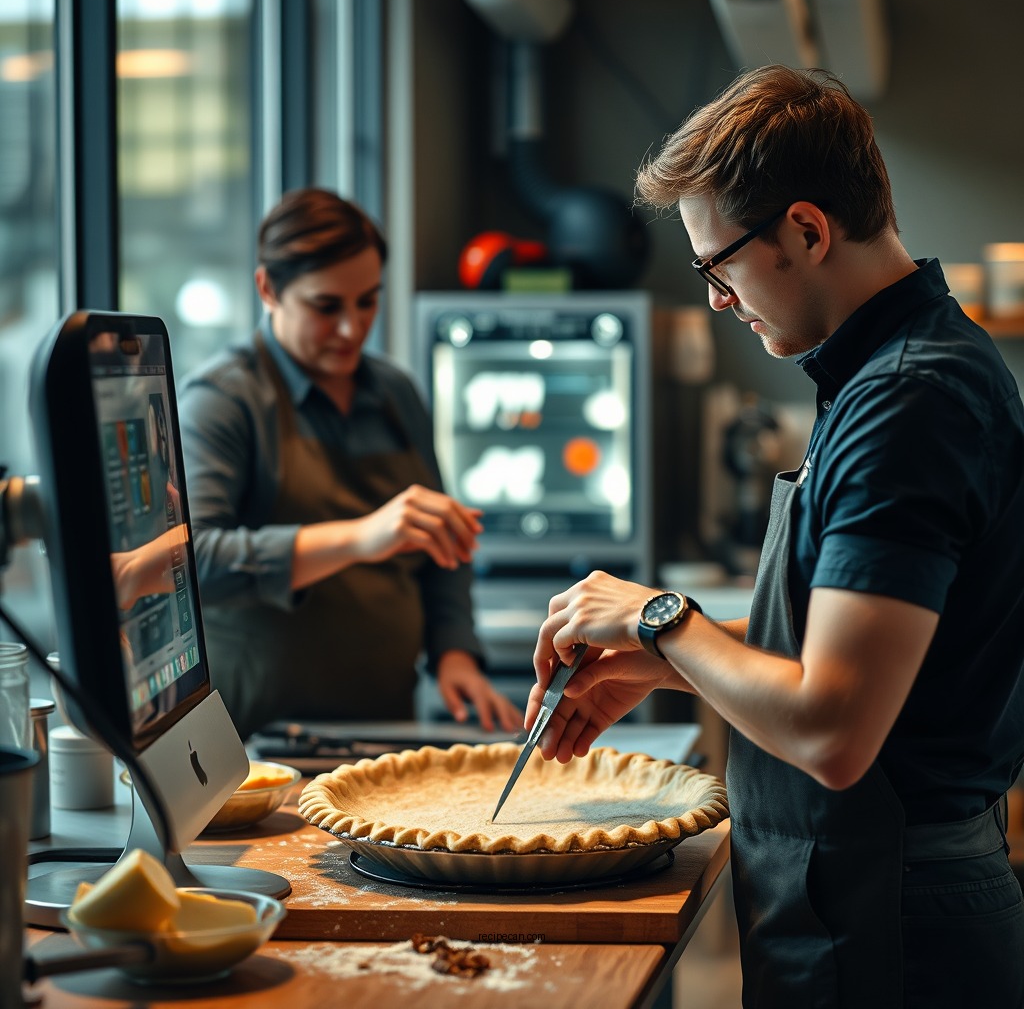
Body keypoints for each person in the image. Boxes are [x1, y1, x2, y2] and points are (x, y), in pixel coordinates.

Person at [529, 66, 1024, 1007]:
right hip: (865, 893)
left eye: (718, 264)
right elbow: (852, 669)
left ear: (805, 229)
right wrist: (665, 666)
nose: (717, 298)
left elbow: (833, 729)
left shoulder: (908, 401)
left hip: (897, 920)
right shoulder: (883, 376)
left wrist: (661, 619)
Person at [179, 187, 521, 740]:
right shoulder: (223, 401)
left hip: (388, 729)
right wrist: (361, 537)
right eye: (326, 306)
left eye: (367, 302)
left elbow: (442, 544)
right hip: (259, 743)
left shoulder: (395, 392)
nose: (352, 328)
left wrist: (454, 652)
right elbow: (193, 563)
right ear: (268, 288)